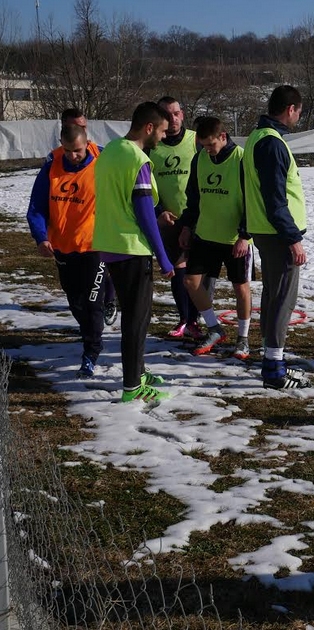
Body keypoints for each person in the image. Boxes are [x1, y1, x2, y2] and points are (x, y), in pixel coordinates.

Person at [92, 102, 175, 403]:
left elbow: (123, 199)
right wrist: (163, 257)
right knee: (137, 320)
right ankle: (132, 388)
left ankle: (137, 373)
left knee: (131, 315)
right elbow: (143, 213)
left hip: (108, 243)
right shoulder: (138, 159)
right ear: (149, 128)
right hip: (131, 247)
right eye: (163, 131)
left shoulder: (110, 150)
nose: (164, 137)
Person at [242, 85, 311, 389]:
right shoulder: (271, 144)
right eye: (299, 111)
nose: (298, 116)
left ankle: (272, 357)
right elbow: (275, 199)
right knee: (283, 299)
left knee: (272, 296)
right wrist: (293, 238)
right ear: (290, 109)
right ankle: (274, 368)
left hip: (264, 231)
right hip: (277, 234)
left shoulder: (257, 137)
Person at [26, 124, 106, 378]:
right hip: (62, 247)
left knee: (94, 303)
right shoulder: (52, 168)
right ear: (61, 145)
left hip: (95, 247)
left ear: (87, 143)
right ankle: (90, 334)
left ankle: (90, 353)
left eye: (78, 151)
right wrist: (40, 237)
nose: (73, 156)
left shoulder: (101, 166)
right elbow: (36, 207)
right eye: (68, 150)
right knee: (76, 301)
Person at [177, 116, 252, 360]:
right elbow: (194, 197)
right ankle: (214, 329)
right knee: (191, 282)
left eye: (211, 145)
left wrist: (245, 235)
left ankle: (243, 339)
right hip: (205, 235)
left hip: (234, 239)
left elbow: (253, 201)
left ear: (223, 136)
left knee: (240, 287)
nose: (207, 150)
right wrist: (187, 226)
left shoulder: (241, 159)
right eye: (203, 145)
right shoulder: (200, 158)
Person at [56, 107, 118, 325]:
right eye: (75, 126)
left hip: (99, 228)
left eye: (83, 126)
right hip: (70, 234)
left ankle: (109, 301)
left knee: (105, 268)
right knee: (79, 288)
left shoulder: (100, 153)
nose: (80, 130)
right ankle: (89, 319)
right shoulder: (55, 158)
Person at [149, 96, 201, 340]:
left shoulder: (195, 140)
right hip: (170, 220)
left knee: (199, 272)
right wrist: (159, 212)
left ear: (183, 113)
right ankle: (186, 320)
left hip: (200, 217)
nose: (173, 120)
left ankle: (198, 318)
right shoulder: (153, 145)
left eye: (177, 113)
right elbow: (145, 185)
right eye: (167, 116)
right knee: (178, 270)